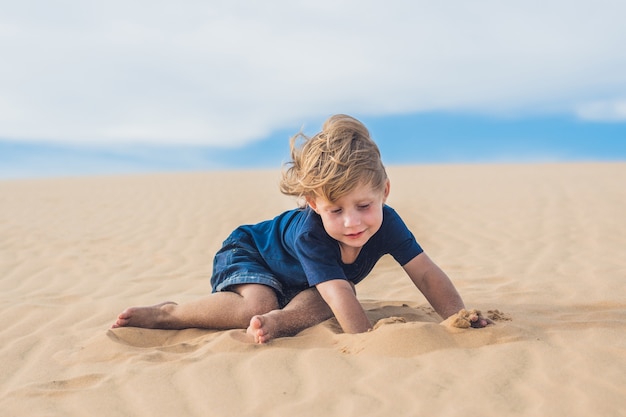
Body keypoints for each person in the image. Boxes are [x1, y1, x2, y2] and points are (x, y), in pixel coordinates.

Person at [112, 114, 490, 343]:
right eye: (334, 210)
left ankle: (276, 323)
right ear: (313, 205)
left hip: (304, 282)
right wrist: (367, 342)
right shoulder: (311, 232)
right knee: (261, 305)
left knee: (317, 302)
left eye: (364, 206)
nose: (352, 222)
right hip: (252, 253)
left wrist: (457, 316)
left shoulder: (388, 222)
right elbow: (341, 292)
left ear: (384, 192)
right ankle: (169, 314)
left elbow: (424, 272)